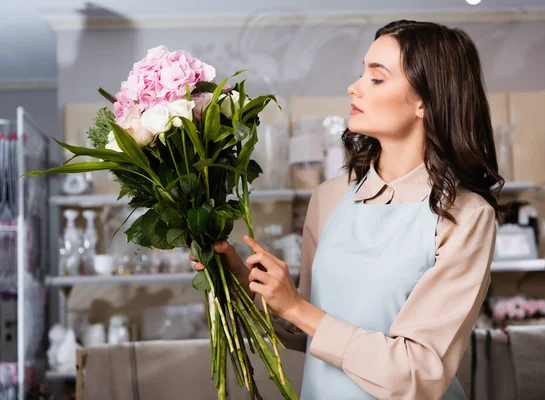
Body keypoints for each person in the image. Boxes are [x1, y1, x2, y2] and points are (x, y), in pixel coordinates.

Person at [191, 19, 505, 400]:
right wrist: (243, 278)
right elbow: (309, 333)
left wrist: (298, 309)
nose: (353, 86)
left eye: (377, 78)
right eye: (362, 72)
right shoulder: (329, 198)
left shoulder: (466, 216)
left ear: (425, 100)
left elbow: (419, 374)